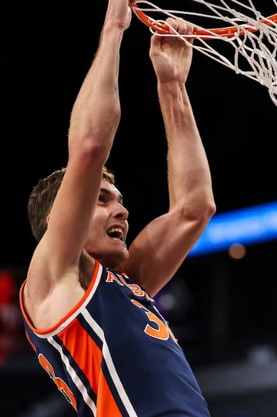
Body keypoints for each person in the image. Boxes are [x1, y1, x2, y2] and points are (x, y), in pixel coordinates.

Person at [19, 0, 215, 415]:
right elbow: (90, 147)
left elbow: (194, 209)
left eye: (120, 201)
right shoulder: (54, 280)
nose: (122, 211)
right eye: (102, 199)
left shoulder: (123, 283)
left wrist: (173, 87)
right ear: (59, 219)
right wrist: (113, 27)